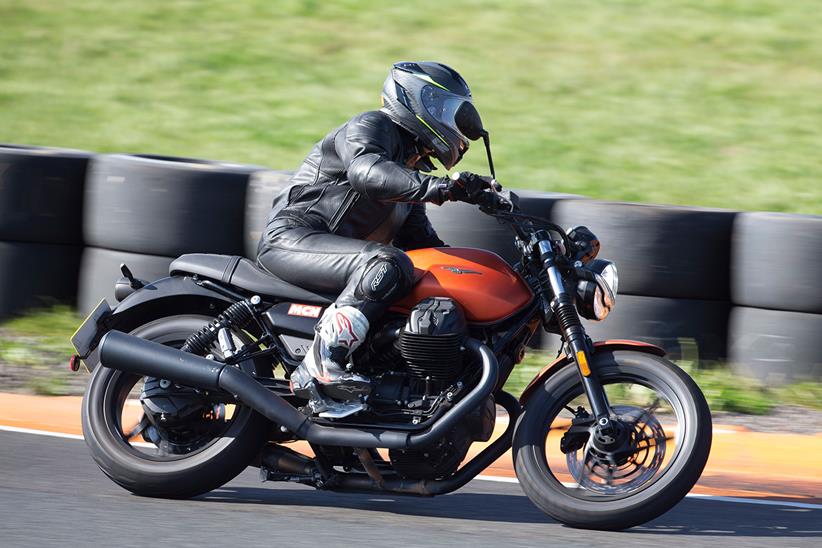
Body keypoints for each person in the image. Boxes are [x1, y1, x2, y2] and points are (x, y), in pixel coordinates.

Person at [257, 61, 504, 414]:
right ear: (423, 104)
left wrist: (466, 278)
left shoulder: (409, 171)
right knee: (386, 262)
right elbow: (366, 172)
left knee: (423, 274)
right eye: (450, 112)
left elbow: (423, 245)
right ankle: (321, 365)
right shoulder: (371, 126)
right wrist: (444, 188)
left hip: (339, 259)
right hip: (293, 238)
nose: (459, 128)